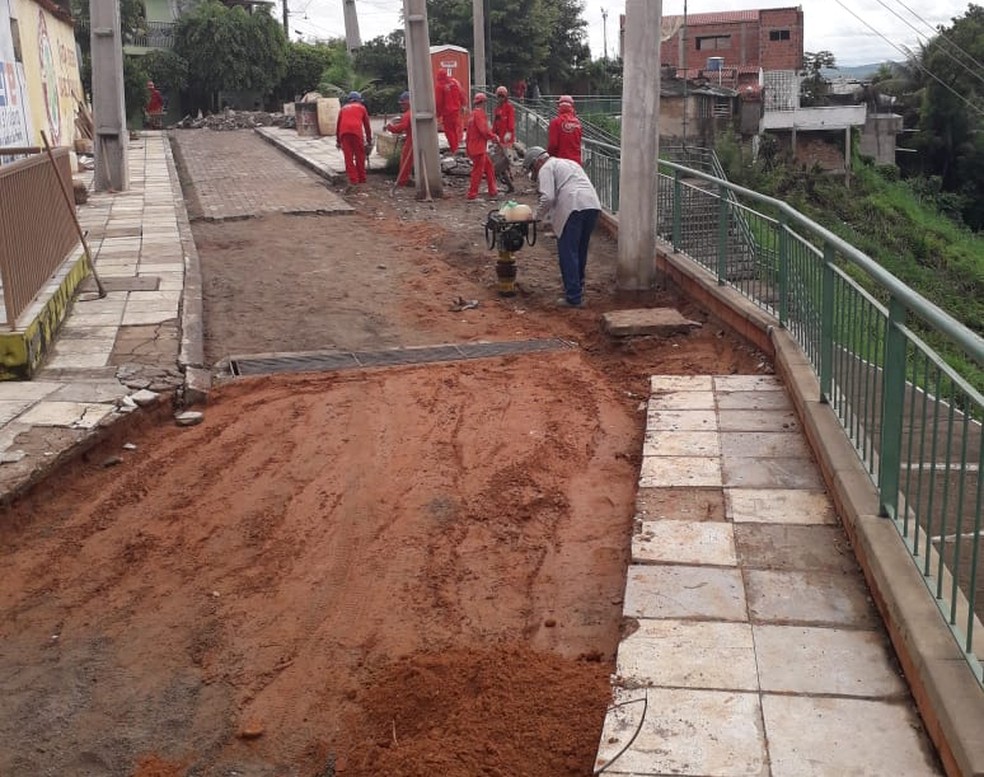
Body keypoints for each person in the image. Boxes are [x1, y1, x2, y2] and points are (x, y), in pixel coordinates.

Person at [523, 146, 600, 307]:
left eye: (532, 168)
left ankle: (573, 297)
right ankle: (577, 288)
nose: (535, 173)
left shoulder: (546, 168)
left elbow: (548, 197)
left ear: (537, 162)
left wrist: (536, 217)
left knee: (568, 252)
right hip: (592, 205)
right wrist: (549, 220)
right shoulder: (567, 163)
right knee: (580, 250)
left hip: (573, 206)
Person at [465, 92, 498, 201]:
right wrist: (493, 137)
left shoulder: (472, 114)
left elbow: (468, 133)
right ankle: (472, 194)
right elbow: (484, 130)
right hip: (478, 148)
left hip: (473, 147)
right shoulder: (479, 114)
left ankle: (493, 190)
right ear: (483, 103)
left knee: (489, 167)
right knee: (477, 172)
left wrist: (467, 148)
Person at [335, 90, 373, 185]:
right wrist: (369, 141)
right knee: (360, 156)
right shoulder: (362, 108)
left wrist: (338, 141)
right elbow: (367, 126)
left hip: (344, 133)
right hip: (356, 133)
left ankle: (353, 180)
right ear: (359, 100)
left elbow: (338, 126)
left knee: (348, 158)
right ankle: (362, 179)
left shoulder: (343, 109)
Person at [384, 91, 413, 187]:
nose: (402, 106)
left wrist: (390, 127)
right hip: (419, 137)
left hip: (412, 139)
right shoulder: (415, 111)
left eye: (403, 103)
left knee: (406, 159)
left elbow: (401, 127)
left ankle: (402, 181)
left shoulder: (408, 114)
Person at [435, 70, 466, 154]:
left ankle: (454, 149)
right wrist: (463, 104)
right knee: (456, 129)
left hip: (447, 112)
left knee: (449, 132)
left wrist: (438, 114)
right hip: (456, 111)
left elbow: (439, 101)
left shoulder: (440, 86)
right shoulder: (454, 82)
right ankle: (457, 147)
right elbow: (461, 93)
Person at [548, 95, 582, 165]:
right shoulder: (577, 123)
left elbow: (553, 145)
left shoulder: (555, 122)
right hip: (576, 161)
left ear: (559, 107)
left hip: (562, 162)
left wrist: (550, 158)